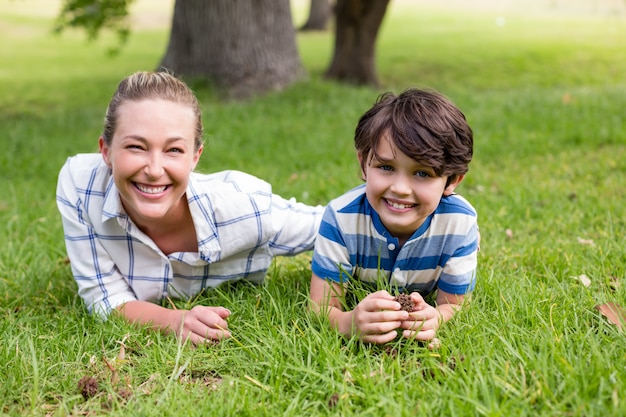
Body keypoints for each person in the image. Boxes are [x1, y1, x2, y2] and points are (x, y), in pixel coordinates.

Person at [56, 70, 324, 345]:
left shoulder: (243, 209)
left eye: (174, 150)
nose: (154, 169)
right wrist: (172, 321)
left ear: (195, 157)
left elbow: (332, 225)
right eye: (136, 147)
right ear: (106, 151)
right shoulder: (81, 187)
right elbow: (104, 297)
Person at [309, 88, 479, 345]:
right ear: (364, 163)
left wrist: (437, 317)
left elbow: (454, 305)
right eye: (386, 167)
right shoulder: (340, 219)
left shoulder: (459, 223)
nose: (400, 188)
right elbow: (320, 308)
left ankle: (469, 255)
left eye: (422, 173)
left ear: (452, 180)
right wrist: (349, 323)